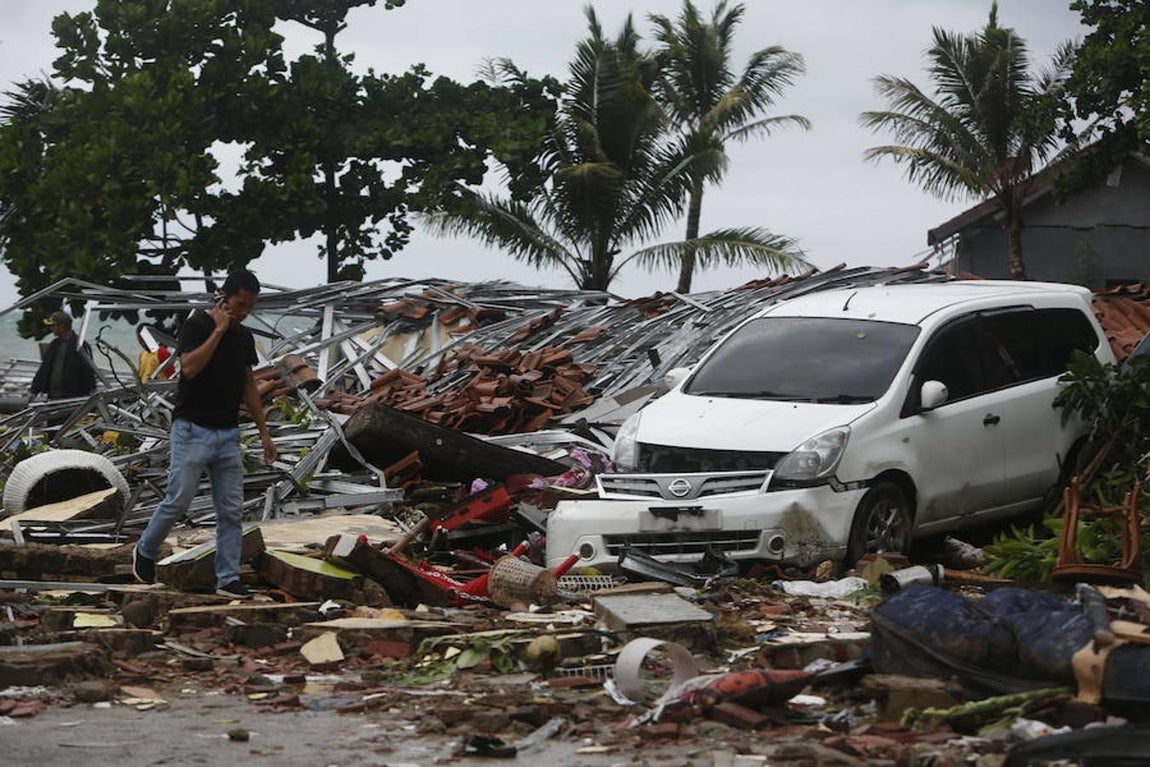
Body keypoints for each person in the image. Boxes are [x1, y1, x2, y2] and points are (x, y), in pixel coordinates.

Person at [132, 269, 278, 598]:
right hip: (191, 429)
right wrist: (219, 330)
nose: (243, 312)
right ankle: (146, 548)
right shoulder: (197, 324)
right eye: (239, 304)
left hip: (227, 434)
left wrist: (264, 432)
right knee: (178, 499)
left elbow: (248, 384)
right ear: (224, 298)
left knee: (230, 510)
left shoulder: (243, 338)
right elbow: (190, 367)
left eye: (249, 307)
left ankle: (228, 578)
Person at [28, 310, 96, 402]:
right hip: (53, 396)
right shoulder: (54, 344)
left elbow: (88, 372)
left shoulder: (80, 345)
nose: (51, 328)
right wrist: (34, 391)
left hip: (74, 396)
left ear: (62, 326)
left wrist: (91, 393)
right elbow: (44, 369)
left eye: (53, 325)